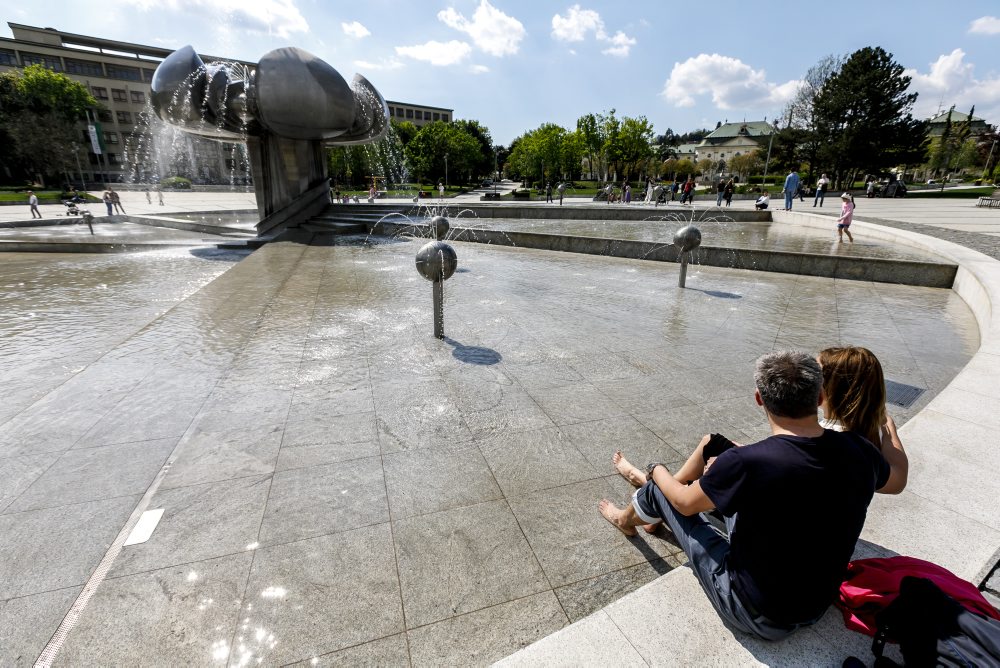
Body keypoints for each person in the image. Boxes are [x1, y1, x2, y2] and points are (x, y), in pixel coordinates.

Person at [599, 351, 896, 641]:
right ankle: (653, 506)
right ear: (819, 398)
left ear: (758, 398)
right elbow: (895, 477)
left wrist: (655, 469)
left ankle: (625, 517)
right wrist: (889, 429)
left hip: (758, 613)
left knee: (660, 490)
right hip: (817, 603)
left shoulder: (748, 463)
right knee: (714, 446)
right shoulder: (862, 451)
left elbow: (684, 504)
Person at [817, 346, 908, 490]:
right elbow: (898, 479)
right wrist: (890, 430)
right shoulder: (874, 428)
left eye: (815, 375)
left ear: (832, 391)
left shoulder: (825, 439)